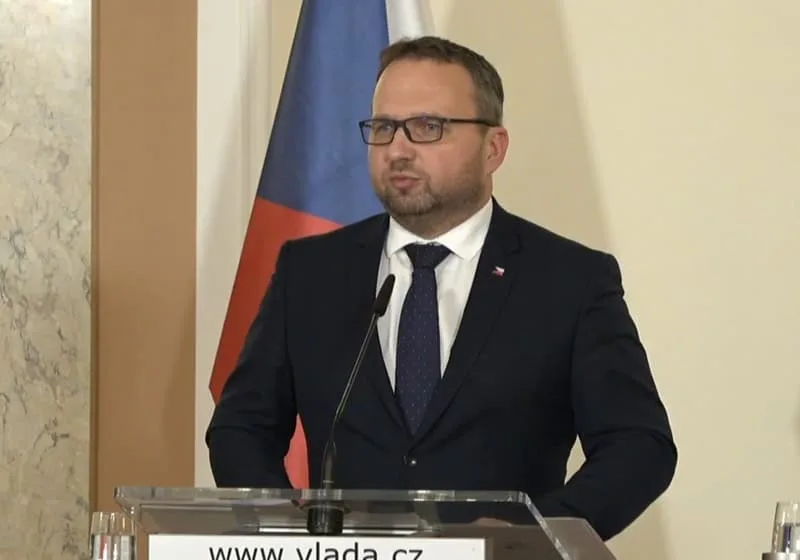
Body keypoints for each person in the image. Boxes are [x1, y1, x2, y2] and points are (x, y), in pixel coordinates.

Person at [206, 35, 677, 541]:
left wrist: (532, 532)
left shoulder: (570, 280)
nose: (398, 150)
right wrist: (286, 528)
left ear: (493, 148)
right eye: (383, 128)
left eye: (428, 127)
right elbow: (241, 427)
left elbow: (638, 445)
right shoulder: (311, 272)